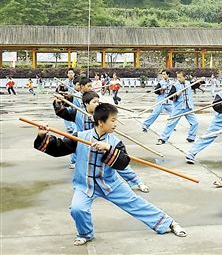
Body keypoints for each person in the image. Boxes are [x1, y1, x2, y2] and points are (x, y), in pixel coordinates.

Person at [33, 103, 187, 246]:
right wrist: (42, 136)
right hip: (84, 184)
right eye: (113, 120)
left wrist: (108, 148)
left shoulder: (115, 142)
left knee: (135, 203)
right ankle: (86, 234)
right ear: (101, 122)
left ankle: (168, 223)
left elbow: (123, 162)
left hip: (110, 184)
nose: (116, 124)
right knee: (77, 208)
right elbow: (58, 148)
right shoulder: (80, 136)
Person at [53, 91, 149, 193]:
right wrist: (58, 102)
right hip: (85, 145)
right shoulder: (77, 113)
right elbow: (61, 112)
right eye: (94, 102)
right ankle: (85, 189)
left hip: (103, 145)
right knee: (84, 168)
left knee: (120, 165)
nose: (97, 104)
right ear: (86, 104)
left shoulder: (101, 116)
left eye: (98, 102)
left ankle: (137, 182)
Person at [158, 70, 198, 145]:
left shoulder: (188, 83)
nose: (178, 79)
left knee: (195, 123)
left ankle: (191, 137)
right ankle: (163, 138)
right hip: (178, 108)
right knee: (171, 123)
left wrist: (200, 81)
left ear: (185, 77)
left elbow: (196, 85)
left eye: (180, 77)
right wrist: (176, 95)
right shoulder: (175, 85)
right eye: (177, 78)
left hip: (188, 107)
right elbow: (169, 97)